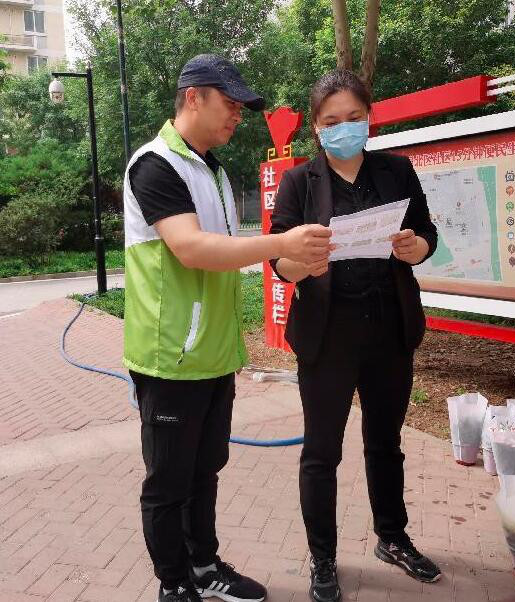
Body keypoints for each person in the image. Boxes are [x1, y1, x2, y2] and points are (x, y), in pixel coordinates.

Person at [123, 54, 332, 602]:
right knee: (168, 482)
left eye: (242, 106)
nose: (238, 115)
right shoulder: (155, 164)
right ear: (193, 97)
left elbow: (228, 253)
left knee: (205, 471)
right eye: (230, 103)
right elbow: (191, 249)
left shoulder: (212, 171)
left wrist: (293, 257)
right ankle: (174, 585)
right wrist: (280, 242)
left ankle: (203, 565)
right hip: (170, 357)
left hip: (215, 353)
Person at [269, 70, 441, 602]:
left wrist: (417, 248)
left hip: (389, 329)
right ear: (316, 127)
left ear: (369, 117)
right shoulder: (300, 182)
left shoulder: (396, 171)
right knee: (322, 452)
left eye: (353, 118)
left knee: (385, 443)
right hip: (328, 336)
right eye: (331, 121)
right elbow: (278, 260)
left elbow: (427, 233)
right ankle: (323, 556)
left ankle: (392, 537)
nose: (343, 128)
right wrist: (303, 264)